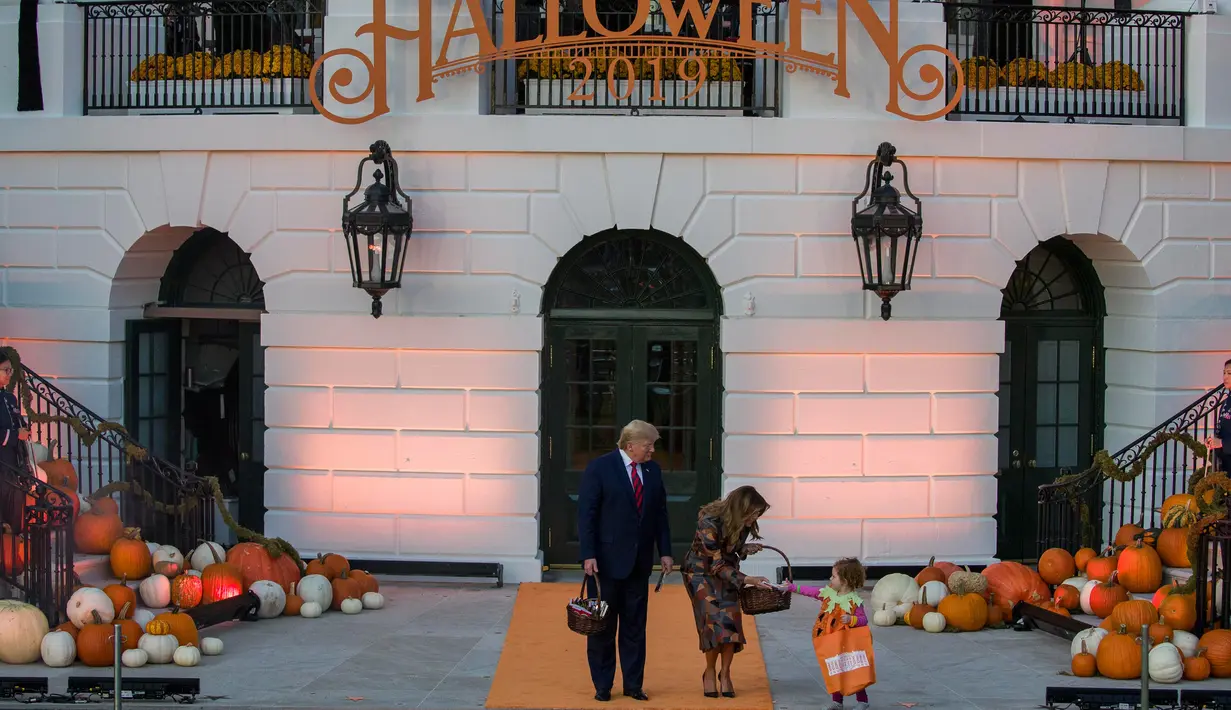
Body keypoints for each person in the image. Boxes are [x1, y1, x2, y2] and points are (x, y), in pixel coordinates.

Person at [576, 420, 673, 702]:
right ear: (630, 446)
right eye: (649, 445)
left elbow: (660, 516)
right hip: (604, 563)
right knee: (602, 627)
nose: (653, 450)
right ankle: (603, 686)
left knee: (634, 628)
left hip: (639, 564)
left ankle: (633, 685)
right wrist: (587, 554)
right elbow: (587, 515)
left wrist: (665, 551)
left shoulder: (653, 471)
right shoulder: (600, 468)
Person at [681, 485, 773, 699]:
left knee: (731, 621)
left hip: (727, 571)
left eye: (757, 514)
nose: (754, 518)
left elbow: (729, 547)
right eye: (752, 514)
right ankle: (710, 672)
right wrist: (748, 580)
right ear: (740, 508)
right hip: (700, 574)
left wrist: (743, 549)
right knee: (713, 621)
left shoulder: (744, 522)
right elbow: (716, 564)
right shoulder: (709, 522)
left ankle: (726, 673)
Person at [783, 558, 874, 710]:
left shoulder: (854, 601)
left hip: (849, 643)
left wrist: (852, 619)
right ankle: (837, 702)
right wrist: (792, 587)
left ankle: (862, 701)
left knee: (854, 670)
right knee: (834, 669)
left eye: (833, 576)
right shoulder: (828, 594)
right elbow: (811, 592)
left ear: (844, 580)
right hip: (831, 641)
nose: (830, 579)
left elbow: (863, 620)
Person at [0, 350, 30, 533]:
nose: (10, 374)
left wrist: (22, 428)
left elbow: (16, 421)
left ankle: (15, 554)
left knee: (15, 506)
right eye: (5, 370)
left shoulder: (9, 398)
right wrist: (13, 435)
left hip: (12, 463)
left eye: (11, 370)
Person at [1205, 357, 1231, 474]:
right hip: (1225, 461)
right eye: (1224, 373)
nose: (1225, 377)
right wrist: (1213, 441)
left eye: (1229, 373)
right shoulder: (1227, 400)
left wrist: (1222, 443)